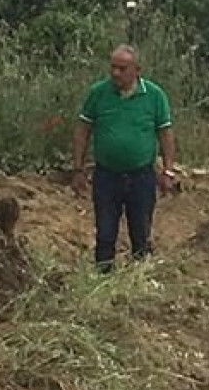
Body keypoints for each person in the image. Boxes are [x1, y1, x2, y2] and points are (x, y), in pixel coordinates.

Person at [70, 45, 176, 273]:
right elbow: (82, 130)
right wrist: (78, 169)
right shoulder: (99, 93)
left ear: (137, 70)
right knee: (106, 231)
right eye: (113, 68)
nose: (116, 73)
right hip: (107, 175)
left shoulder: (154, 96)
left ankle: (140, 278)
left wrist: (168, 171)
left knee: (141, 230)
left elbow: (165, 134)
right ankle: (102, 278)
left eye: (122, 68)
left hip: (142, 176)